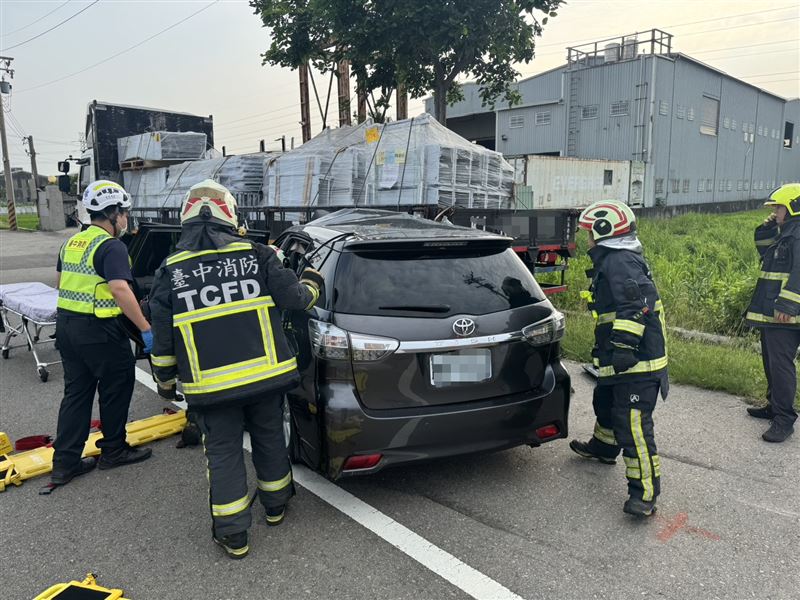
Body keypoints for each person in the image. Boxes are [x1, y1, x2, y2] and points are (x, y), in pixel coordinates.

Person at [148, 179, 322, 559]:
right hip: (266, 377)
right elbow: (298, 298)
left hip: (212, 389)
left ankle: (234, 535)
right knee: (270, 437)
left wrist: (164, 383)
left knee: (224, 452)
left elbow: (162, 340)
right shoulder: (258, 255)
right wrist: (313, 277)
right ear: (231, 217)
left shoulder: (171, 272)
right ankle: (276, 507)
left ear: (186, 220)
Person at [50, 180, 153, 489]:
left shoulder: (73, 242)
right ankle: (113, 450)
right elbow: (120, 288)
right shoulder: (111, 246)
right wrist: (146, 329)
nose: (125, 220)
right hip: (100, 331)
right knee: (116, 386)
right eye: (124, 214)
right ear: (113, 214)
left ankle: (64, 464)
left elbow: (60, 282)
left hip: (67, 328)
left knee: (77, 393)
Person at [568, 200, 668, 517]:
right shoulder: (613, 260)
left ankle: (645, 494)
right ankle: (604, 447)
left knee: (633, 426)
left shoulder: (620, 261)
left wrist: (624, 345)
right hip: (619, 359)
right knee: (606, 402)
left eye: (588, 232)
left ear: (603, 231)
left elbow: (637, 304)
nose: (586, 239)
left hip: (638, 362)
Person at [744, 183, 800, 443]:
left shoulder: (798, 233)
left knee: (780, 366)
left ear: (792, 207)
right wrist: (767, 228)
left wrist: (788, 305)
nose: (775, 211)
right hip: (772, 311)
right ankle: (773, 405)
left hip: (786, 315)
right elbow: (765, 252)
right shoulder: (786, 232)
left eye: (778, 207)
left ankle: (784, 419)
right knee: (770, 361)